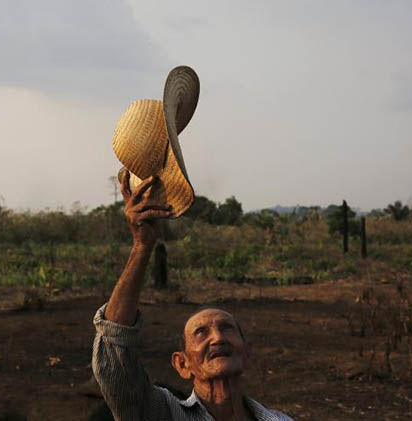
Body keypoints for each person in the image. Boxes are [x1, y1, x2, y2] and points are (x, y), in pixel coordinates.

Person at [92, 169, 292, 421]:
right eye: (201, 333)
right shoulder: (163, 414)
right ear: (182, 364)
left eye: (227, 328)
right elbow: (114, 350)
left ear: (247, 354)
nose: (218, 338)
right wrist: (142, 245)